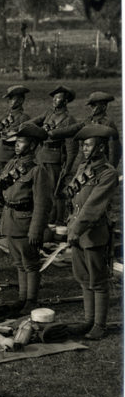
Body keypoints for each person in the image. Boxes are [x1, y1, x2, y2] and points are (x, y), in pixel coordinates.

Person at [0, 123, 53, 314]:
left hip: (26, 221)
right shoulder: (12, 164)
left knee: (30, 263)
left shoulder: (37, 170)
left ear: (32, 146)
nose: (16, 145)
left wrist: (35, 229)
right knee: (18, 262)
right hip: (11, 219)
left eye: (21, 142)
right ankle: (22, 298)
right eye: (16, 142)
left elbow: (42, 204)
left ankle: (31, 300)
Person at [64, 124, 119, 340]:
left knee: (98, 280)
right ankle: (88, 320)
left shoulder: (108, 173)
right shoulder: (83, 168)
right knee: (83, 278)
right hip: (76, 231)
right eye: (83, 145)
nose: (84, 149)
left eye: (88, 145)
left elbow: (92, 206)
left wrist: (76, 230)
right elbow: (74, 198)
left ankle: (99, 324)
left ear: (101, 149)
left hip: (93, 233)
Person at [26, 85, 78, 225]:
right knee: (40, 189)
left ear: (65, 101)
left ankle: (57, 221)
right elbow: (32, 123)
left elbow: (72, 148)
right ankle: (44, 219)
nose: (54, 100)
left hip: (55, 160)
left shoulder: (68, 120)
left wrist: (67, 167)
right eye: (54, 98)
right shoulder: (48, 114)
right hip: (42, 156)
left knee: (55, 192)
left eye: (58, 98)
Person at [48, 91, 121, 169]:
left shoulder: (108, 123)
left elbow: (114, 151)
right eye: (91, 106)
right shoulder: (88, 121)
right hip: (86, 162)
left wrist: (110, 168)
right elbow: (72, 129)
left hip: (101, 163)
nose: (91, 108)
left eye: (94, 105)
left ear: (103, 107)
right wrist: (53, 133)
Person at [0, 85, 31, 174]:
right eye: (9, 99)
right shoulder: (5, 115)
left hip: (11, 156)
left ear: (21, 100)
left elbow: (24, 137)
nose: (9, 101)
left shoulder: (23, 117)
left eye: (12, 98)